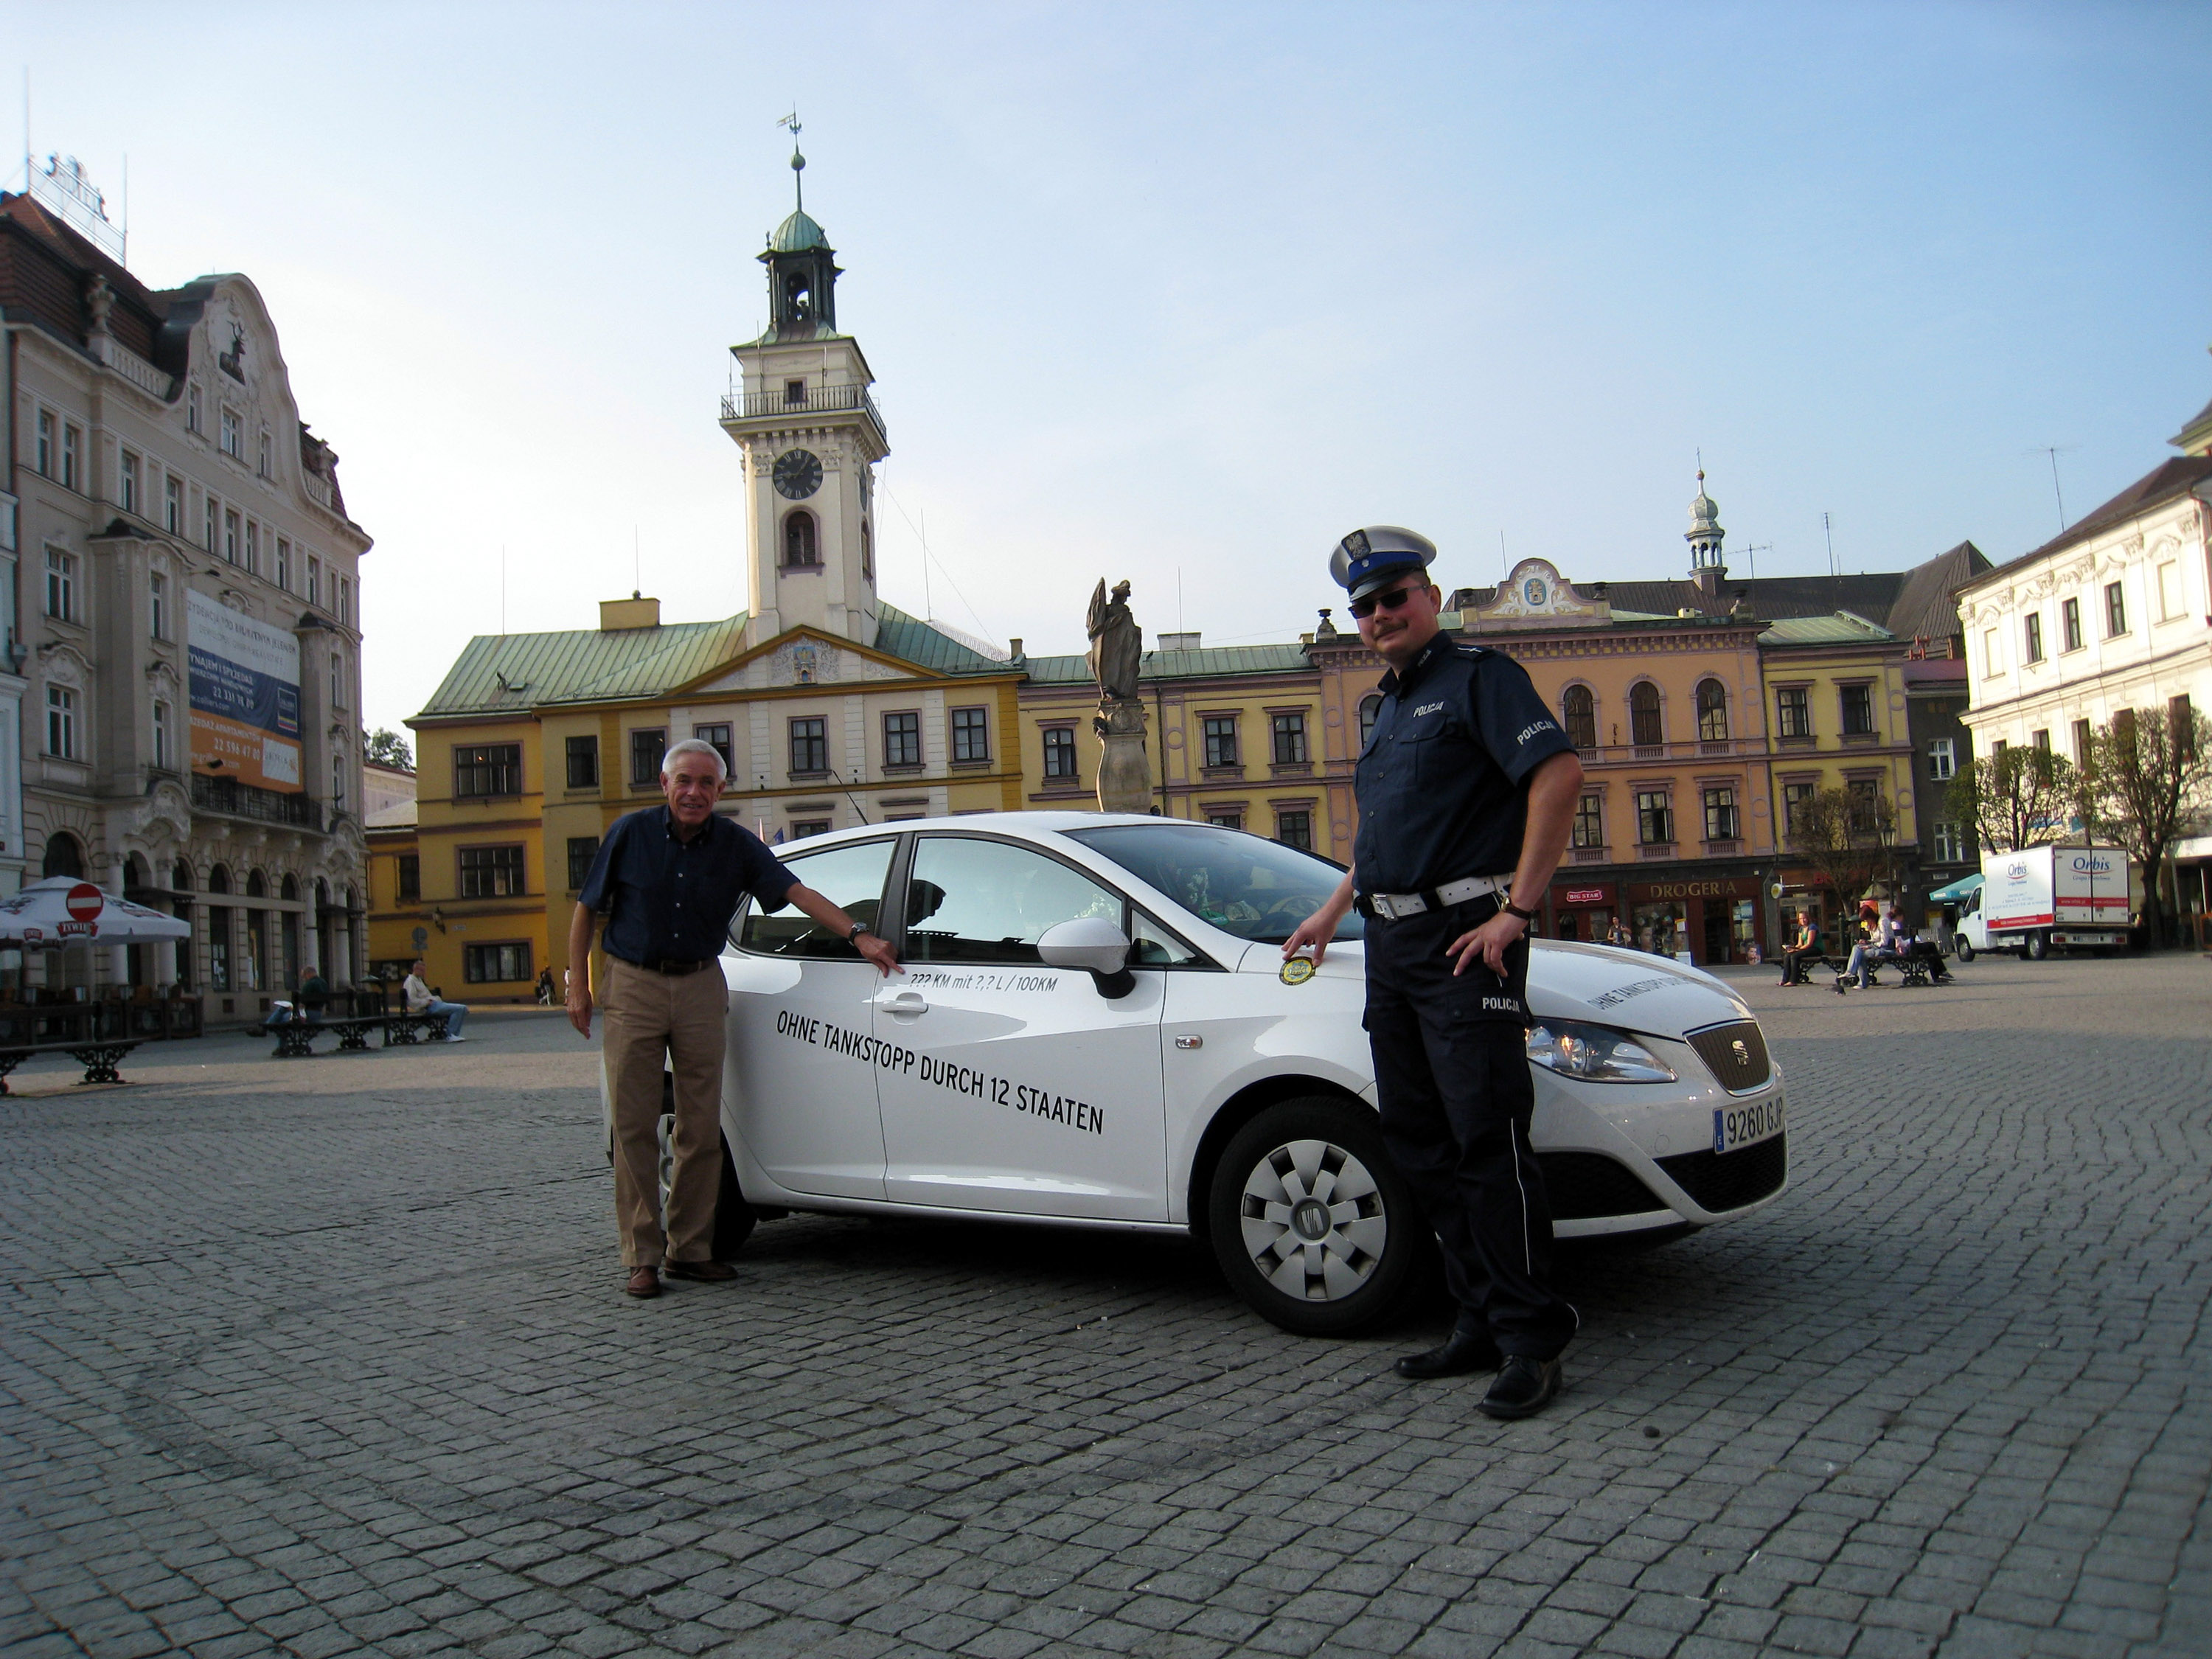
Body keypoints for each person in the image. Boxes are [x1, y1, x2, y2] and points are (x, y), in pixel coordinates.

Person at [1283, 525, 1584, 1420]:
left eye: (1395, 597)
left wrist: (1517, 912)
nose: (1380, 616)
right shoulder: (1384, 709)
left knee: (1487, 1140)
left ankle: (1534, 1336)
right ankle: (1479, 1318)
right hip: (1390, 948)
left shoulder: (1481, 680)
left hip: (1467, 940)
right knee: (1419, 1141)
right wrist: (1332, 911)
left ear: (1431, 599)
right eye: (1365, 607)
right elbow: (1380, 839)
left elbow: (1559, 775)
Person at [568, 738, 901, 1300]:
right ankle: (641, 1256)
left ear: (722, 791)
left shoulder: (736, 846)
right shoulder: (631, 833)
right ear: (665, 785)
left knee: (700, 1128)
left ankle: (691, 1250)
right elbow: (586, 908)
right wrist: (578, 983)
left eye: (706, 783)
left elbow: (797, 892)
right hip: (634, 984)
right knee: (636, 1127)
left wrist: (859, 935)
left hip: (701, 983)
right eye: (685, 781)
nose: (694, 792)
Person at [403, 959, 469, 1040]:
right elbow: (411, 1000)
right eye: (422, 971)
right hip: (429, 1007)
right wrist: (427, 1002)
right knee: (460, 1009)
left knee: (463, 1008)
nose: (424, 973)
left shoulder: (419, 980)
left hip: (435, 1004)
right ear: (416, 970)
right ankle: (451, 1035)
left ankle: (454, 1034)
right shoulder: (410, 981)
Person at [268, 961, 329, 1026]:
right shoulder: (324, 983)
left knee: (281, 1015)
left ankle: (267, 1026)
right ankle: (268, 1025)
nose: (304, 979)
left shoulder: (309, 984)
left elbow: (301, 1005)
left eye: (304, 976)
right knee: (282, 1012)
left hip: (307, 1015)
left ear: (308, 974)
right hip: (318, 1014)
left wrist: (291, 1007)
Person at [1778, 911, 1820, 986]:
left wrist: (1796, 950)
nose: (1803, 920)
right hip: (1806, 949)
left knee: (1795, 956)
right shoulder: (1801, 929)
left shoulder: (1812, 927)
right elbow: (1800, 944)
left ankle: (1793, 980)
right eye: (1800, 919)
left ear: (1808, 918)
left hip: (1815, 949)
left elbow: (1809, 944)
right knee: (1788, 955)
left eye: (1804, 918)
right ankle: (1785, 980)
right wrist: (1791, 948)